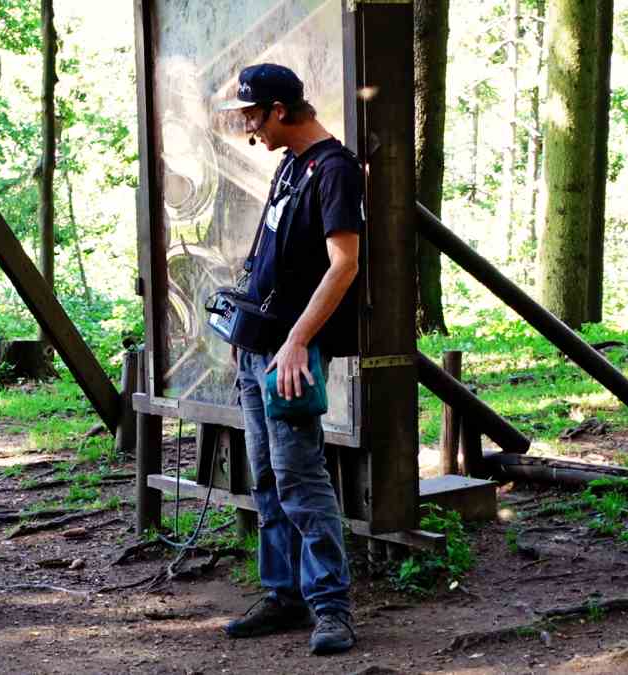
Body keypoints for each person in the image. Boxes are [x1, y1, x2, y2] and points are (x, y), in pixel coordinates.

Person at [216, 63, 364, 656]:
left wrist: (298, 340)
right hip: (257, 348)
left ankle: (332, 608)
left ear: (279, 109)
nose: (250, 129)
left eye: (253, 115)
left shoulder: (335, 170)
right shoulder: (288, 167)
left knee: (302, 477)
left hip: (290, 355)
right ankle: (283, 596)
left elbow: (344, 265)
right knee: (268, 476)